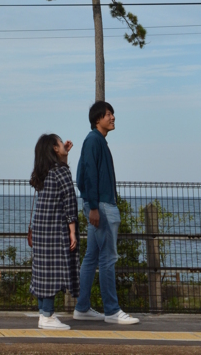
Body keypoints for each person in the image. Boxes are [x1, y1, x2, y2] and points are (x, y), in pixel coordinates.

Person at [74, 101, 139, 325]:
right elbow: (87, 175)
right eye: (109, 114)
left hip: (99, 205)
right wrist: (92, 206)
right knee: (108, 258)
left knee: (91, 257)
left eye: (112, 114)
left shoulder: (96, 141)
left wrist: (91, 203)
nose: (113, 118)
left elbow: (81, 175)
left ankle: (82, 308)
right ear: (97, 119)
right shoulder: (94, 140)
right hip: (101, 206)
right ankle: (112, 311)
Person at [30, 133, 80, 331]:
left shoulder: (45, 173)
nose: (64, 143)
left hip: (41, 229)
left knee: (42, 271)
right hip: (55, 230)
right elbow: (70, 202)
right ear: (54, 148)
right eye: (60, 143)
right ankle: (48, 315)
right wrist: (73, 231)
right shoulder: (61, 173)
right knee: (52, 272)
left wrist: (64, 155)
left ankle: (44, 313)